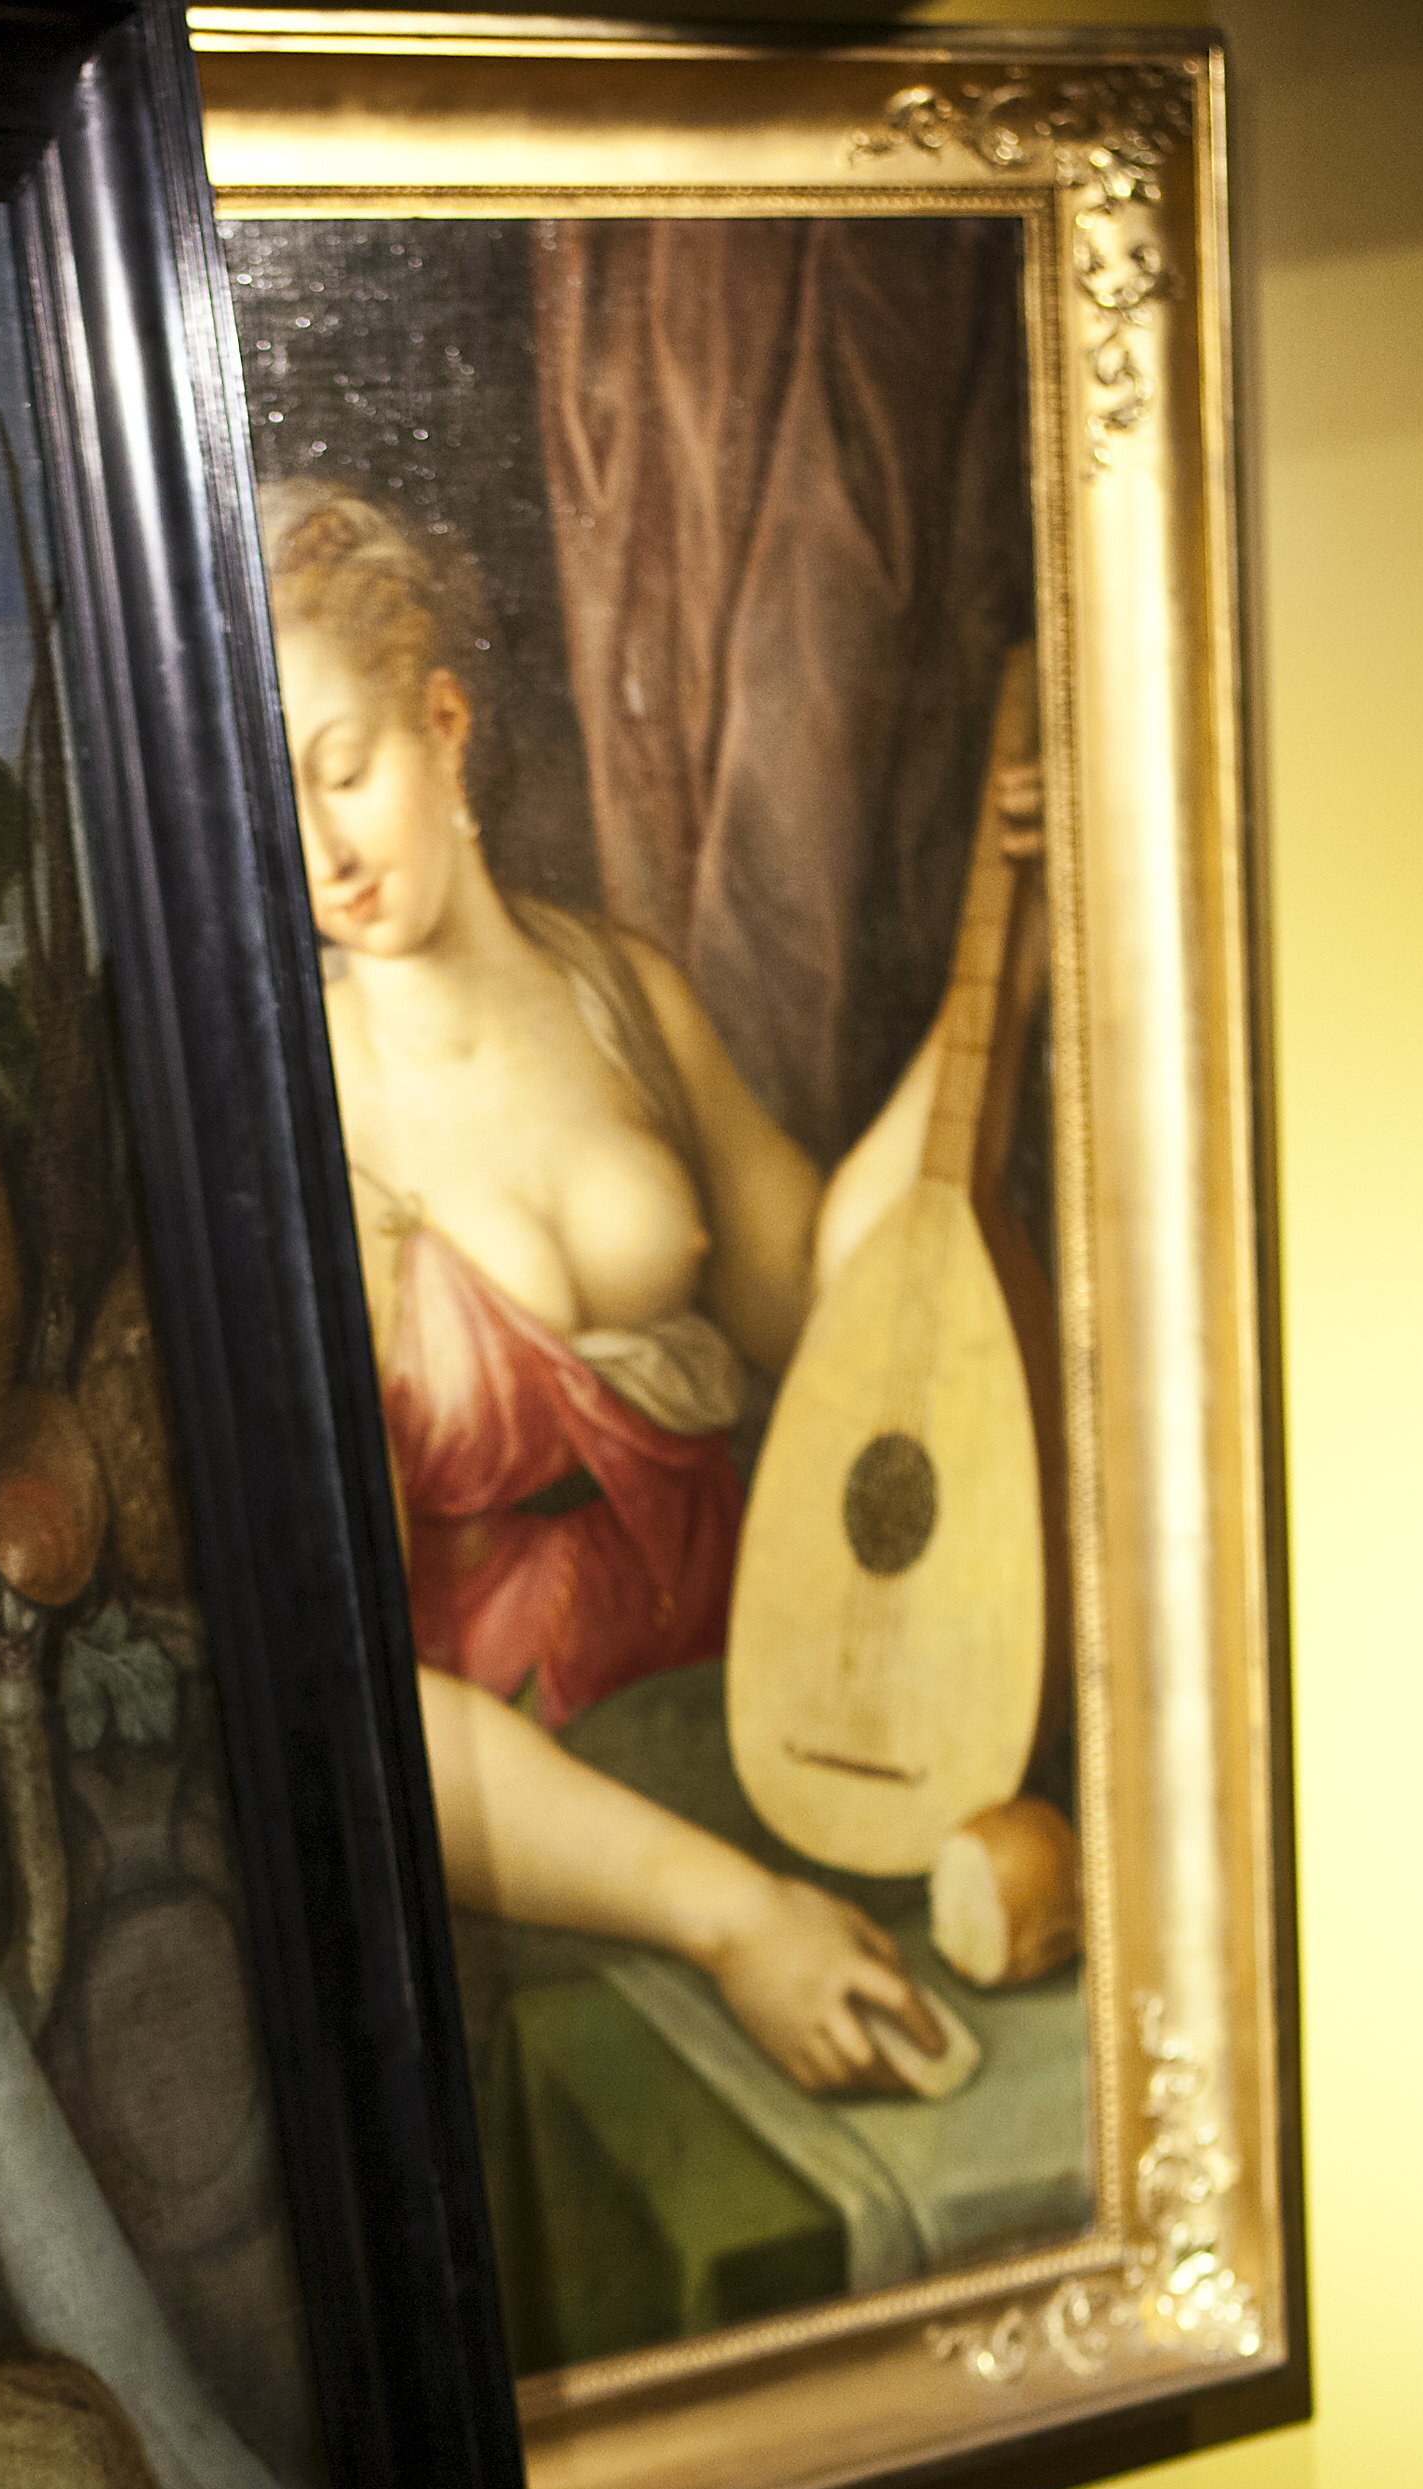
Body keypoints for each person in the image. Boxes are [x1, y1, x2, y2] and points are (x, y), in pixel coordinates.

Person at [259, 478, 1000, 2095]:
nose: (320, 852)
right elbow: (367, 1704)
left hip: (781, 1725)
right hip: (562, 1862)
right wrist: (729, 1920)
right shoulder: (305, 1113)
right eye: (276, 800)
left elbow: (826, 1312)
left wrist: (993, 972)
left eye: (345, 769)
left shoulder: (621, 993)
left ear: (444, 726)